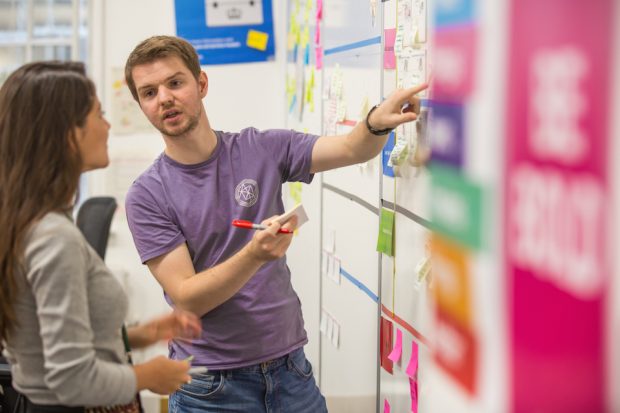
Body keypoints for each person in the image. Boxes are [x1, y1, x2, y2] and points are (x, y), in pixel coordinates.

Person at [123, 35, 427, 412]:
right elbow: (188, 297)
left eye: (175, 82)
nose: (164, 98)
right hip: (210, 389)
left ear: (201, 84)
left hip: (290, 372)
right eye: (149, 92)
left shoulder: (260, 148)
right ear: (142, 105)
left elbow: (351, 148)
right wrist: (253, 255)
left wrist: (376, 123)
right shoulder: (147, 194)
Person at [0, 61, 203, 412]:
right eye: (99, 114)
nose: (108, 125)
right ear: (69, 133)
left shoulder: (32, 221)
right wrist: (147, 375)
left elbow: (49, 340)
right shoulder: (53, 238)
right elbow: (71, 378)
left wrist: (142, 335)